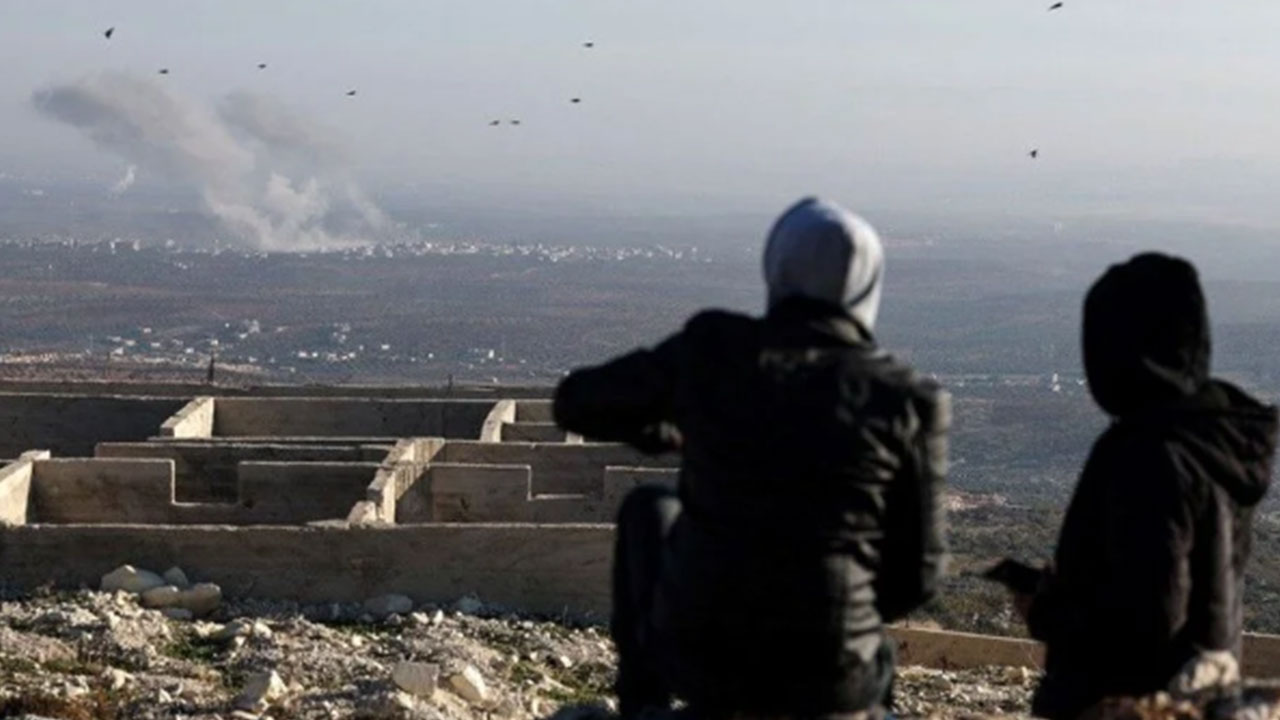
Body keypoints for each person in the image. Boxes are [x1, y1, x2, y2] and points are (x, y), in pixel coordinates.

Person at [554, 197, 949, 719]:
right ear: (867, 287)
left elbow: (577, 402)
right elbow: (918, 575)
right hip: (834, 675)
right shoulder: (908, 398)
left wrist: (668, 429)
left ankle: (642, 705)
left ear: (777, 267)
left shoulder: (715, 349)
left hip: (704, 659)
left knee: (649, 508)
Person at [1016, 253, 1278, 719]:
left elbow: (1147, 621)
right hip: (1204, 699)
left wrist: (1047, 609)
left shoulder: (1146, 455)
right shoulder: (1217, 441)